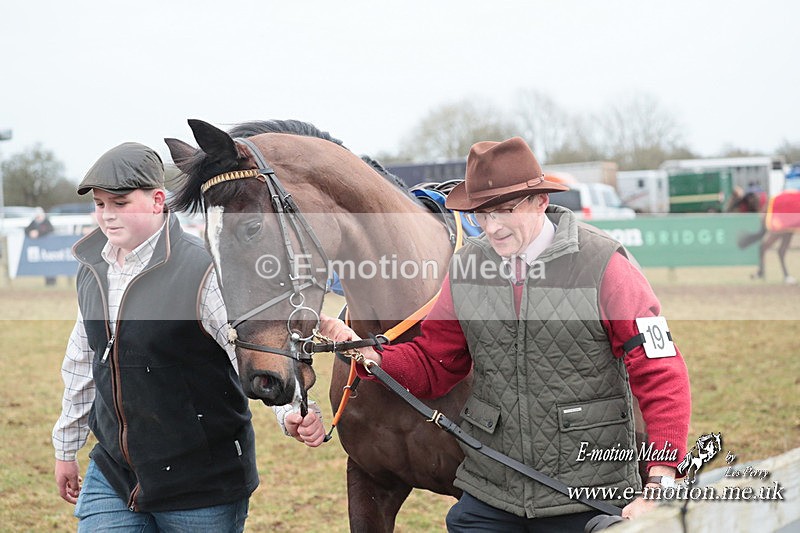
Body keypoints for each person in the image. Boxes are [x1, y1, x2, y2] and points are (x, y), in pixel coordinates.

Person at [320, 137, 691, 532]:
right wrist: (368, 355)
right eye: (482, 213)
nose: (492, 227)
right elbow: (434, 364)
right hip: (492, 494)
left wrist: (661, 480)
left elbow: (660, 369)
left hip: (586, 490)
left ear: (540, 201)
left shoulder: (605, 266)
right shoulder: (466, 269)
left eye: (504, 210)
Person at [52, 142, 325, 532]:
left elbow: (248, 350)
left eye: (120, 202)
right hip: (115, 474)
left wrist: (293, 411)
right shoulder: (91, 270)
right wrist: (66, 449)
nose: (107, 216)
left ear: (157, 200)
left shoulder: (203, 271)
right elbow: (82, 361)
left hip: (202, 484)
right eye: (100, 205)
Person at [26, 208, 57, 285]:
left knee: (51, 265)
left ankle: (52, 282)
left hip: (49, 248)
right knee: (45, 266)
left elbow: (50, 230)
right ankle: (48, 282)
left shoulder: (46, 222)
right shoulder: (34, 223)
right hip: (41, 249)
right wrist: (31, 233)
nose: (38, 218)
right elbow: (26, 230)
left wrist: (38, 233)